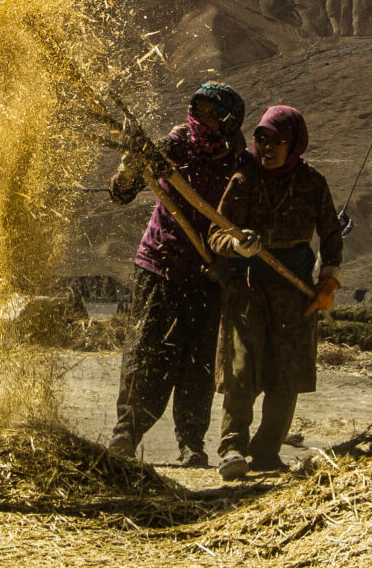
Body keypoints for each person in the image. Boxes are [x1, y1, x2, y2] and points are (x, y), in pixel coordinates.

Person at [107, 82, 247, 467]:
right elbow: (120, 193)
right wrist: (131, 164)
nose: (201, 120)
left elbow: (245, 221)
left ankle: (191, 443)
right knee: (146, 353)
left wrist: (229, 260)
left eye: (211, 115)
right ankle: (126, 434)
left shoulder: (239, 164)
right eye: (197, 111)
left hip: (208, 275)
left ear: (229, 123)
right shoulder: (170, 149)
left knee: (197, 363)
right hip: (159, 266)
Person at [208, 105, 342, 480]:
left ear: (294, 144)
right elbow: (215, 232)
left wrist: (328, 282)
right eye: (261, 139)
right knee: (241, 367)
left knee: (286, 372)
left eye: (276, 141)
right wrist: (236, 245)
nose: (266, 147)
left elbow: (331, 235)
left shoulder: (313, 182)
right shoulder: (242, 178)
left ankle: (266, 451)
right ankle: (232, 448)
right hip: (246, 289)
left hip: (293, 291)